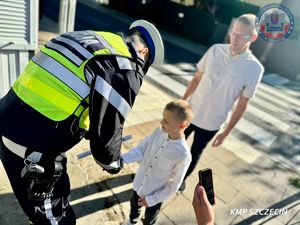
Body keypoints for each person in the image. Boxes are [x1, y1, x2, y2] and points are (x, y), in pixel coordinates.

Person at [0, 20, 164, 225]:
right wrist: (114, 164)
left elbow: (66, 90)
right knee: (57, 219)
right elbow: (108, 135)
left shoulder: (89, 38)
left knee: (39, 213)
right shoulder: (126, 65)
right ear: (144, 51)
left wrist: (84, 127)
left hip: (9, 126)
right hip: (34, 151)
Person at [180, 14, 264, 191]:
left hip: (212, 122)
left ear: (254, 37)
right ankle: (162, 172)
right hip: (190, 111)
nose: (235, 38)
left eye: (242, 35)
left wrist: (226, 133)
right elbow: (197, 78)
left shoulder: (255, 68)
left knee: (194, 153)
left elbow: (242, 104)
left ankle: (181, 181)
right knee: (173, 143)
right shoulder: (215, 49)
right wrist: (182, 101)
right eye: (234, 32)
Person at [121, 100, 193, 225]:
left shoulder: (183, 154)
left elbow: (174, 184)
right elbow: (141, 149)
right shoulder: (158, 132)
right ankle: (132, 221)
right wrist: (122, 159)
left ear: (182, 126)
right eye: (162, 118)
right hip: (139, 184)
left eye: (166, 121)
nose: (161, 122)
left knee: (150, 219)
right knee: (134, 206)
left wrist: (152, 200)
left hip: (155, 195)